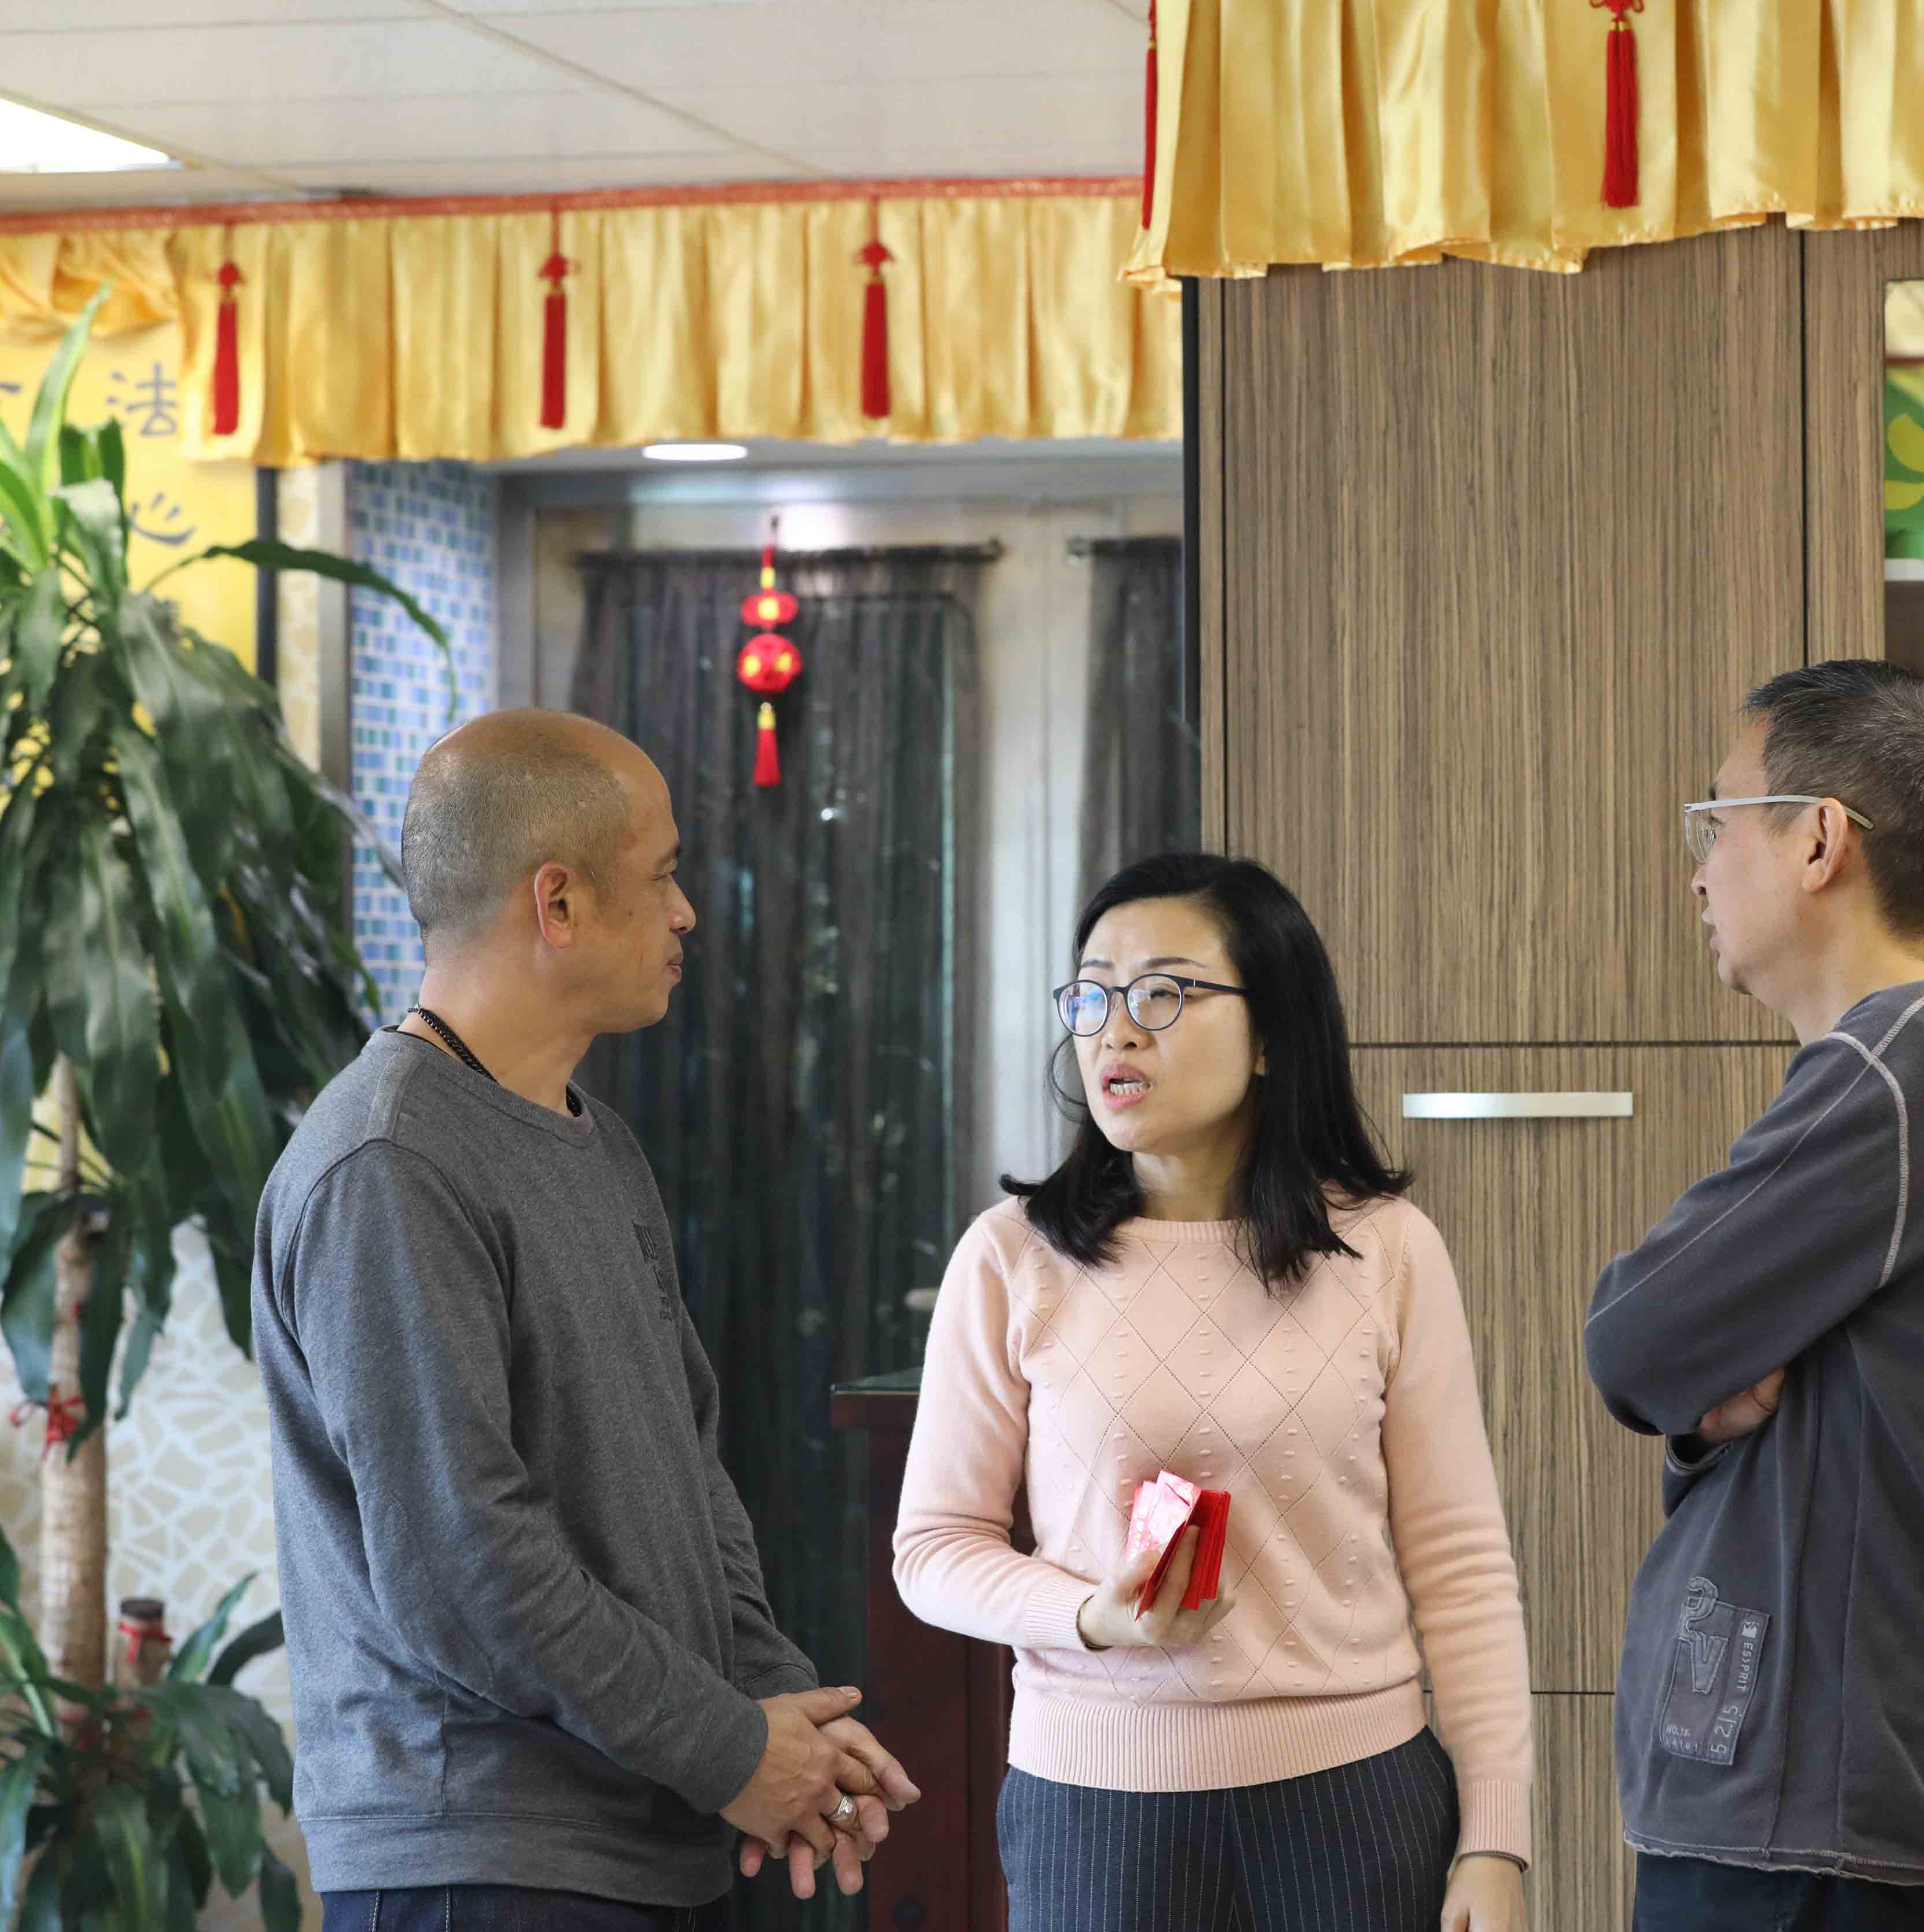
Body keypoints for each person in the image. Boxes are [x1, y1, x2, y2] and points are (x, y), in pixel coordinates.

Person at [253, 710, 920, 1931]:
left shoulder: (595, 1139)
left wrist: (779, 1715)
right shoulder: (388, 1161)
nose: (687, 913)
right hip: (483, 1860)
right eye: (663, 876)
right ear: (556, 902)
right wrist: (732, 1746)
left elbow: (687, 1471)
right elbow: (464, 1564)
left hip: (647, 1835)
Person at [892, 852, 1535, 1932]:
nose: (1116, 1031)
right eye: (1092, 995)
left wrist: (1495, 1838)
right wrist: (1087, 1614)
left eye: (1163, 993)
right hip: (1095, 1805)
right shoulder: (1012, 1258)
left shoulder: (1386, 1250)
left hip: (1355, 1799)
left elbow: (1461, 1561)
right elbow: (933, 1549)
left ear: (1272, 1031)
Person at [1585, 662, 1924, 1931]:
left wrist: (1697, 1391)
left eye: (1718, 822)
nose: (1698, 874)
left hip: (1814, 1826)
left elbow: (1632, 1337)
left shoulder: (1906, 1060)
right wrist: (1708, 1408)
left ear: (1821, 838)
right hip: (1852, 1808)